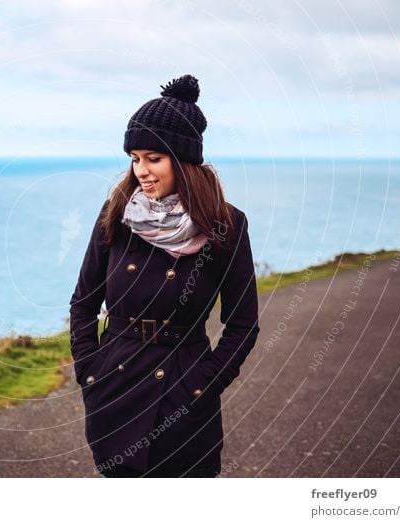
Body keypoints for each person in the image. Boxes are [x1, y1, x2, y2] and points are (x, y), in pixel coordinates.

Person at [69, 74, 260, 478]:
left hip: (185, 389)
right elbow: (83, 303)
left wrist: (204, 384)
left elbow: (243, 323)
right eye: (135, 158)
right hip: (115, 389)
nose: (141, 170)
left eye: (154, 158)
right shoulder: (116, 216)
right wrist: (90, 373)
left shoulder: (225, 225)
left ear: (184, 160)